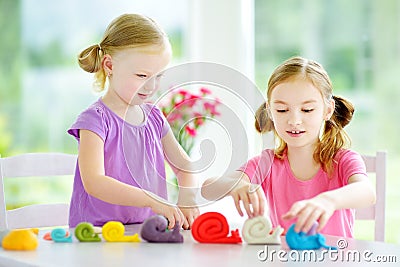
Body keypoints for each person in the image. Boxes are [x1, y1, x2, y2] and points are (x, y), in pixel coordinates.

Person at [201, 56, 376, 238]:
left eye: (307, 110)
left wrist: (328, 200)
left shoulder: (344, 160)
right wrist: (236, 186)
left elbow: (367, 192)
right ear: (270, 111)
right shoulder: (266, 163)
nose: (294, 121)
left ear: (328, 110)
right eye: (282, 110)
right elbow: (208, 188)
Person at [68, 14, 199, 230]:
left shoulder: (154, 118)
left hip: (146, 231)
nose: (151, 87)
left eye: (158, 76)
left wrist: (188, 199)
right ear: (109, 65)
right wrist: (150, 199)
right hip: (97, 235)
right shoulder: (94, 121)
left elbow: (185, 167)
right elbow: (94, 182)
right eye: (141, 75)